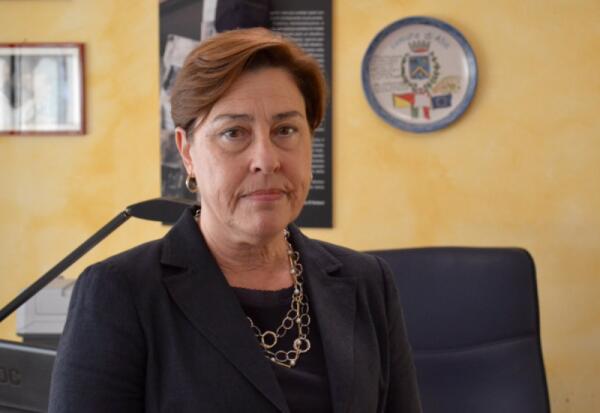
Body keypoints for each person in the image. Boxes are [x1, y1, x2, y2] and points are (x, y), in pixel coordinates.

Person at [49, 28, 422, 413]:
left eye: (286, 130)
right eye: (233, 133)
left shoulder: (367, 281)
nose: (266, 159)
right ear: (187, 152)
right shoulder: (120, 292)